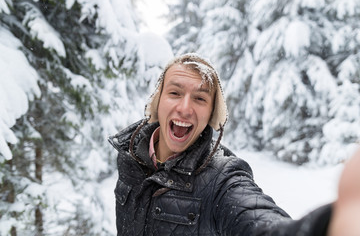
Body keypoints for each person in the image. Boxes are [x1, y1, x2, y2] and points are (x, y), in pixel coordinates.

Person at [108, 53, 360, 235]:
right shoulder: (131, 155)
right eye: (174, 93)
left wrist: (329, 225)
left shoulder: (222, 179)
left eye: (199, 98)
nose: (185, 108)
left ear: (211, 115)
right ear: (157, 102)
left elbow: (258, 221)